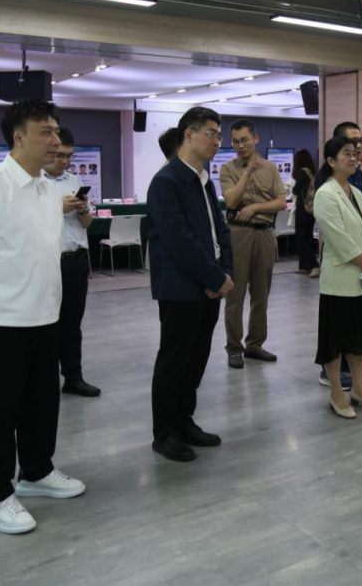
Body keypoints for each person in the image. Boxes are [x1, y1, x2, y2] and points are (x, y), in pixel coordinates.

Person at [0, 99, 85, 535]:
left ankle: (36, 472)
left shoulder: (46, 189)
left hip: (44, 317)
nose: (56, 140)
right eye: (46, 131)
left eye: (56, 131)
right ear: (19, 137)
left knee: (42, 402)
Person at [147, 107, 232, 462]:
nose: (217, 141)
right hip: (181, 288)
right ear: (189, 134)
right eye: (211, 133)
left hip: (209, 287)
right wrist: (215, 278)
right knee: (174, 360)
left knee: (196, 360)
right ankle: (165, 432)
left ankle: (184, 420)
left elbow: (220, 231)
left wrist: (225, 273)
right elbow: (179, 241)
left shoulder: (204, 180)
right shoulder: (166, 181)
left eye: (219, 135)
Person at [312, 136, 362, 418]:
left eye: (355, 153)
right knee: (335, 342)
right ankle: (336, 393)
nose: (354, 158)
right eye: (347, 154)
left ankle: (359, 390)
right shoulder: (325, 194)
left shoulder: (355, 191)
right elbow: (340, 240)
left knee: (358, 339)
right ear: (331, 161)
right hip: (340, 282)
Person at [219, 119, 286, 369]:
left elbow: (281, 202)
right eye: (235, 142)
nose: (240, 145)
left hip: (265, 233)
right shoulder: (227, 169)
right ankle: (234, 348)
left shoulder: (270, 168)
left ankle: (255, 345)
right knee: (234, 294)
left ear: (255, 139)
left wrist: (256, 206)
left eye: (244, 140)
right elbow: (231, 201)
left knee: (261, 293)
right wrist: (247, 172)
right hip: (238, 233)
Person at [43, 127, 100, 398]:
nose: (64, 161)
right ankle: (44, 380)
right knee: (46, 323)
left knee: (72, 323)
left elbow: (87, 224)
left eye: (69, 156)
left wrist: (82, 208)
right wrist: (59, 207)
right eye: (60, 155)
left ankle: (73, 377)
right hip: (48, 261)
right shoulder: (35, 181)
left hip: (76, 260)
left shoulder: (74, 180)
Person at [292, 148, 319, 277]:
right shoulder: (313, 172)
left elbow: (296, 190)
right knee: (307, 236)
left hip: (302, 209)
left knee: (302, 238)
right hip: (311, 208)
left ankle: (314, 265)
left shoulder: (301, 172)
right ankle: (304, 266)